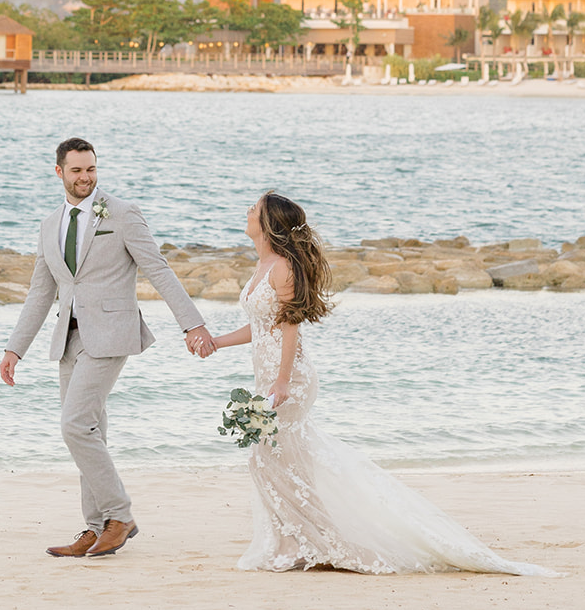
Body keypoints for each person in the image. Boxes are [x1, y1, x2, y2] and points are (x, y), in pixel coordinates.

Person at [209, 191, 557, 576]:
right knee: (279, 460)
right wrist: (217, 342)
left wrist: (283, 380)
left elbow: (290, 324)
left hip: (288, 379)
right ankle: (301, 542)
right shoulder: (262, 264)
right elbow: (262, 327)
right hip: (271, 376)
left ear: (268, 223)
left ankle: (316, 542)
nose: (247, 212)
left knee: (267, 457)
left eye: (253, 209)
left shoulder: (283, 268)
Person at [0, 137, 217, 559]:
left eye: (92, 169)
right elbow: (39, 294)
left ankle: (120, 515)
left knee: (75, 425)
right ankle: (96, 527)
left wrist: (193, 325)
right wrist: (14, 349)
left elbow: (158, 268)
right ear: (59, 172)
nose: (86, 178)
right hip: (69, 338)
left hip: (111, 333)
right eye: (77, 170)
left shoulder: (122, 213)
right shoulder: (50, 225)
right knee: (90, 431)